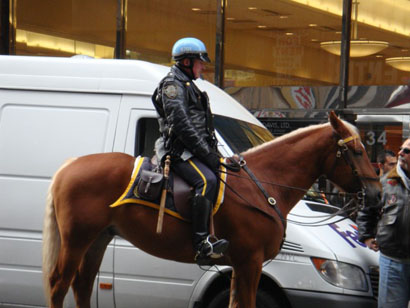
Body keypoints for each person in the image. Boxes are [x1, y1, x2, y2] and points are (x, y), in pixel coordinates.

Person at [152, 37, 229, 265]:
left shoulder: (187, 83)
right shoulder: (172, 85)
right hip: (177, 151)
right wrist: (207, 154)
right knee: (206, 181)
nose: (202, 66)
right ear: (186, 61)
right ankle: (201, 243)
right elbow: (182, 125)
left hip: (191, 149)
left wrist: (215, 153)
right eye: (199, 62)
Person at [357, 139, 410, 308]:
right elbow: (366, 212)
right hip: (392, 262)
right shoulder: (384, 183)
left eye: (407, 151)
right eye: (401, 148)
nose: (401, 153)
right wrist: (366, 236)